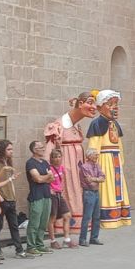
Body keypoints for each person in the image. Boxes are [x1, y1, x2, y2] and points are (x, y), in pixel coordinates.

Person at [45, 90, 97, 246]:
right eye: (90, 102)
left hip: (77, 169)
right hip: (65, 171)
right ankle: (62, 232)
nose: (94, 106)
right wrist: (50, 173)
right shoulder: (59, 126)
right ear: (80, 104)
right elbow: (49, 151)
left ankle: (73, 233)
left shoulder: (76, 125)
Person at [86, 89, 131, 229]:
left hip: (116, 160)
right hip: (104, 160)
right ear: (100, 107)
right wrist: (95, 165)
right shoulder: (97, 124)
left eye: (115, 104)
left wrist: (121, 160)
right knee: (107, 188)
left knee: (118, 188)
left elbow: (119, 144)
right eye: (110, 104)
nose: (114, 108)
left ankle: (119, 217)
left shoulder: (115, 124)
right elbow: (93, 147)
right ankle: (107, 220)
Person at [0, 140, 26, 258]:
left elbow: (9, 181)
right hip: (2, 198)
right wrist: (4, 170)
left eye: (12, 149)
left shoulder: (8, 163)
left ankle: (19, 249)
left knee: (14, 225)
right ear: (2, 150)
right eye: (9, 149)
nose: (11, 152)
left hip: (11, 197)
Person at [25, 141, 53, 255]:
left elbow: (52, 179)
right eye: (40, 147)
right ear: (34, 150)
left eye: (43, 146)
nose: (43, 148)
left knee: (43, 222)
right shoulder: (30, 163)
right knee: (34, 222)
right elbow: (38, 179)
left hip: (47, 194)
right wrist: (46, 177)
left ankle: (39, 244)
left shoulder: (45, 162)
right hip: (36, 196)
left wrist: (45, 178)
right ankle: (31, 246)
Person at [77, 148, 105, 246]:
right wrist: (97, 179)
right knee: (87, 217)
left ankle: (94, 238)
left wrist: (94, 179)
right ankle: (82, 239)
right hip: (88, 193)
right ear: (89, 156)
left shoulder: (97, 165)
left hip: (96, 192)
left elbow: (103, 178)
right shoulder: (84, 167)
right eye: (95, 155)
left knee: (97, 216)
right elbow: (90, 182)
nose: (97, 156)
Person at [47, 148, 70, 249]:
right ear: (51, 158)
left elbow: (62, 181)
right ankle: (53, 240)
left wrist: (62, 191)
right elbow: (46, 181)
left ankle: (66, 239)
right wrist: (49, 190)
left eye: (59, 156)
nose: (57, 159)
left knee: (67, 215)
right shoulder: (49, 169)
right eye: (55, 157)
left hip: (59, 194)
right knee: (52, 218)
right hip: (53, 195)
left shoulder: (62, 168)